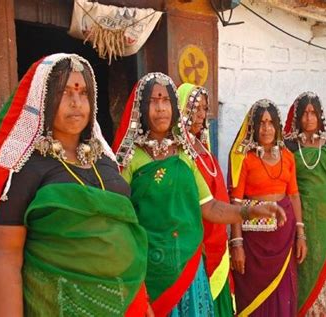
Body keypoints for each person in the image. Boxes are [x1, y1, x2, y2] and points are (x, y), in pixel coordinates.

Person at [0, 53, 150, 316]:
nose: (76, 103)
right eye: (65, 92)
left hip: (128, 304)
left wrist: (144, 301)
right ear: (43, 99)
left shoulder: (105, 162)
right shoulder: (22, 168)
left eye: (83, 94)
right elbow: (4, 261)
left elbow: (123, 239)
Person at [112, 73, 286, 317]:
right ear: (142, 106)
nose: (161, 108)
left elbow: (210, 207)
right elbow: (119, 220)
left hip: (190, 271)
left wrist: (248, 211)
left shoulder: (185, 155)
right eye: (153, 101)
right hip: (149, 273)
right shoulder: (129, 159)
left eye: (166, 101)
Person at [228, 99, 307, 316]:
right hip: (254, 245)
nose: (266, 128)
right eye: (261, 123)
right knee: (253, 298)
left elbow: (294, 196)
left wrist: (301, 235)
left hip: (284, 237)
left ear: (278, 127)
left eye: (271, 122)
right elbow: (235, 202)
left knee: (282, 294)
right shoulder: (243, 158)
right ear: (253, 127)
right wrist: (237, 244)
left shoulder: (288, 157)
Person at [284, 92, 326, 316]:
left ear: (320, 116)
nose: (309, 118)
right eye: (305, 113)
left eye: (313, 113)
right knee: (304, 264)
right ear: (298, 117)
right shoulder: (289, 147)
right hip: (302, 218)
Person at [177, 83, 233, 316]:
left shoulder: (202, 145)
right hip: (199, 240)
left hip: (217, 235)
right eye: (195, 108)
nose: (201, 114)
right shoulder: (181, 149)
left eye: (204, 108)